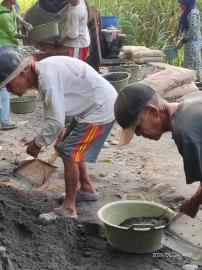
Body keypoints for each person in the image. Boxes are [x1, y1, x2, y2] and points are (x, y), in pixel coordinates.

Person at [0, 50, 117, 219]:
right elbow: (65, 100)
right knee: (68, 145)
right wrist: (61, 129)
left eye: (9, 85)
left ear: (22, 73)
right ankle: (87, 188)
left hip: (101, 108)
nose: (10, 91)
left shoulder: (47, 79)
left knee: (69, 152)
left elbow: (55, 122)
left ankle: (69, 209)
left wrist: (38, 143)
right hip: (92, 105)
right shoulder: (44, 70)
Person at [114, 82, 202, 219]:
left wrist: (194, 202)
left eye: (137, 128)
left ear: (153, 111)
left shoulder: (185, 133)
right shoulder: (190, 100)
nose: (138, 134)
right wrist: (194, 202)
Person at [0, 0, 32, 129]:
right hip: (5, 46)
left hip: (11, 45)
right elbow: (13, 34)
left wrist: (24, 22)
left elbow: (17, 16)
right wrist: (29, 38)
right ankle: (5, 120)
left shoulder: (10, 8)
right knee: (4, 84)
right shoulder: (3, 15)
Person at [170, 0, 202, 81]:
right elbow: (181, 25)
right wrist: (174, 35)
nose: (179, 6)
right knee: (188, 62)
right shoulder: (186, 12)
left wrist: (182, 41)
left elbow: (193, 31)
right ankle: (189, 81)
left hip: (193, 42)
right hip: (189, 41)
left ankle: (197, 83)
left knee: (194, 63)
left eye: (181, 4)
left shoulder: (192, 13)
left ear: (187, 4)